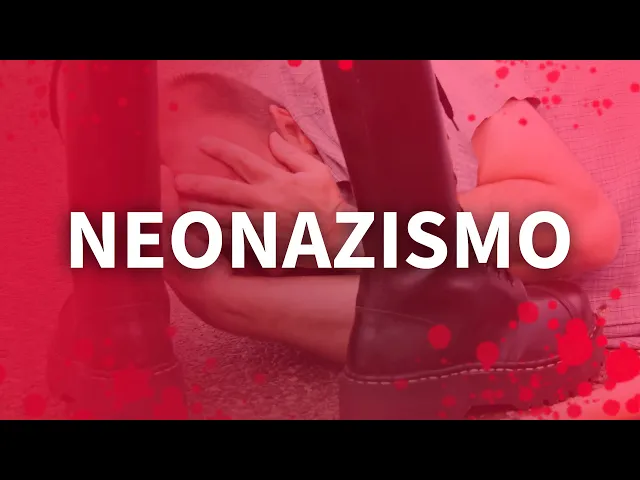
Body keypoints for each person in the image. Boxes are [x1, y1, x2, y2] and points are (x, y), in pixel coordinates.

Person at [157, 61, 620, 418]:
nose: (254, 231)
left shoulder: (360, 80)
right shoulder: (295, 269)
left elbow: (578, 227)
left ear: (292, 132)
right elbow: (444, 332)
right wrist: (219, 297)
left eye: (243, 187)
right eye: (217, 230)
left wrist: (343, 229)